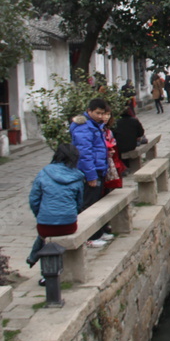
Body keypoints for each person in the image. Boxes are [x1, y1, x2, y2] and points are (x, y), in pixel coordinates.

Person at [27, 143, 84, 268]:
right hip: (68, 224)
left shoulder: (43, 173)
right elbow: (79, 203)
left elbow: (34, 200)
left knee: (43, 236)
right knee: (48, 234)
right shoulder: (77, 176)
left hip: (45, 224)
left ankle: (37, 262)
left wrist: (41, 215)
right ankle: (34, 258)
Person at [70, 98, 110, 247]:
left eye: (103, 113)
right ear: (89, 111)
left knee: (97, 202)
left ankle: (98, 232)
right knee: (89, 204)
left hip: (99, 168)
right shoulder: (83, 127)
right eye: (98, 113)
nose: (101, 116)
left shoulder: (94, 125)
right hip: (90, 172)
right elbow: (84, 154)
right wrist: (91, 175)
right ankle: (90, 237)